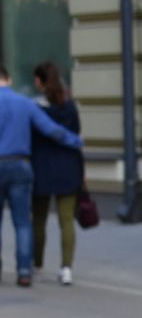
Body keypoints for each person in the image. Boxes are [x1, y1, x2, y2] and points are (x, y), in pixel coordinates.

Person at [0, 63, 84, 288]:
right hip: (21, 166)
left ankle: (21, 267)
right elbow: (51, 129)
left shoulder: (29, 103)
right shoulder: (24, 104)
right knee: (23, 222)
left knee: (25, 220)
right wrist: (76, 141)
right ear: (7, 79)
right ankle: (25, 271)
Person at [29, 62, 84, 286]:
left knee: (38, 221)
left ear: (40, 82)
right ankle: (66, 269)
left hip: (41, 167)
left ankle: (38, 267)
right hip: (69, 167)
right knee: (66, 221)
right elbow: (76, 134)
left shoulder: (36, 109)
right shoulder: (70, 107)